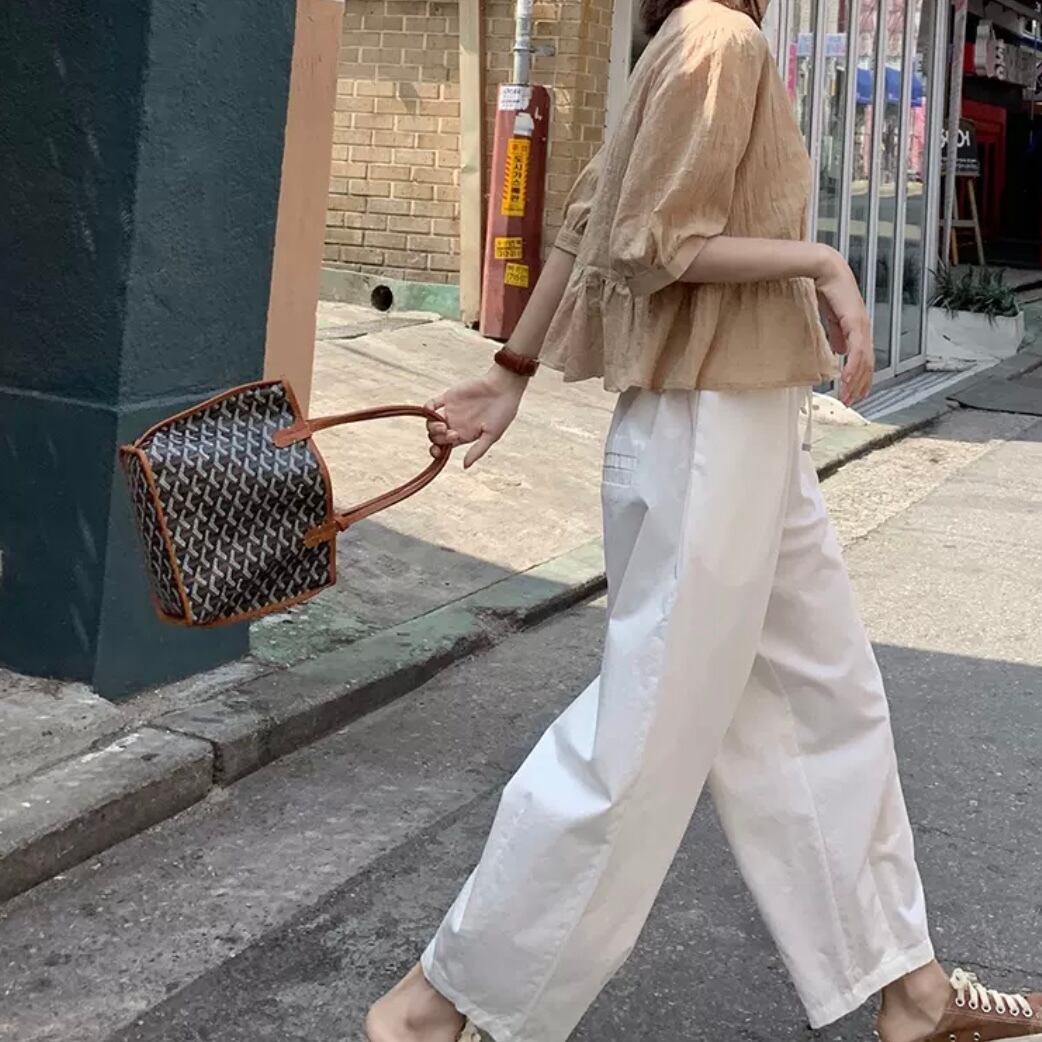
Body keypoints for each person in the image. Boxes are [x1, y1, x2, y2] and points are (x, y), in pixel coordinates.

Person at [365, 1, 1041, 1040]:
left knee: (827, 701)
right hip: (710, 432)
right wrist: (820, 263)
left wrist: (510, 370)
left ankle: (908, 987)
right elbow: (655, 244)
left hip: (743, 425)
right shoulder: (720, 40)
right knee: (644, 737)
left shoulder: (683, 42)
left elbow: (588, 221)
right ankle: (434, 1005)